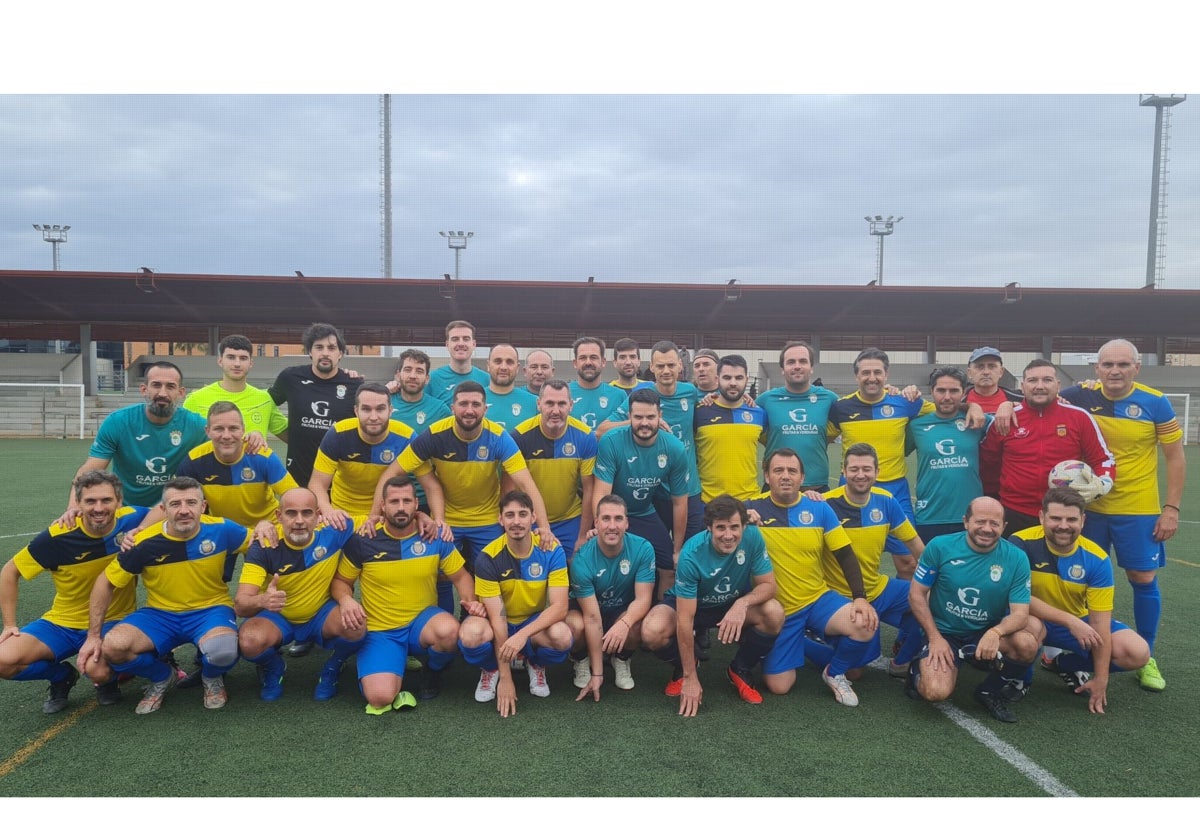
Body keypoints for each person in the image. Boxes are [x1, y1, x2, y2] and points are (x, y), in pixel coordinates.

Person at [1057, 338, 1185, 692]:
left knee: (1142, 579)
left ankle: (1147, 654)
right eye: (1108, 365)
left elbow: (1175, 457)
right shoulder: (1080, 395)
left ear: (1136, 368)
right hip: (1089, 508)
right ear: (1096, 369)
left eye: (1123, 364)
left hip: (1139, 508)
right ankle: (1075, 648)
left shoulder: (1154, 402)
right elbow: (1039, 395)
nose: (1115, 371)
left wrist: (1171, 509)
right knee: (1076, 579)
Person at [78, 477, 255, 714]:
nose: (184, 510)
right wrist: (93, 636)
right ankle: (162, 676)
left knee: (223, 650)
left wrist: (263, 526)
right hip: (160, 614)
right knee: (113, 647)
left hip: (211, 609)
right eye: (175, 504)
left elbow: (262, 544)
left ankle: (211, 677)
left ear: (202, 507)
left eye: (191, 503)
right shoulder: (142, 542)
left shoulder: (223, 529)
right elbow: (105, 583)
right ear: (163, 509)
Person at [332, 476, 483, 714]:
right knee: (380, 698)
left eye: (406, 501)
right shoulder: (363, 539)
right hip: (381, 630)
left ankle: (432, 670)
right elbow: (341, 581)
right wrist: (346, 599)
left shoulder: (433, 536)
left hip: (421, 623)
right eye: (394, 501)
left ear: (416, 504)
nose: (401, 507)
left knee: (451, 632)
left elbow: (462, 577)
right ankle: (391, 662)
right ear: (382, 505)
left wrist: (471, 603)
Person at [1, 471, 146, 712]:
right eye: (90, 501)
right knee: (3, 660)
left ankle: (107, 682)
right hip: (62, 622)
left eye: (106, 500)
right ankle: (61, 676)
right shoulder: (57, 537)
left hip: (112, 621)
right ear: (77, 504)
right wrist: (9, 624)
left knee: (96, 669)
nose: (99, 508)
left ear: (119, 502)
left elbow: (164, 509)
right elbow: (9, 572)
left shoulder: (134, 520)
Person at [374, 381, 555, 572]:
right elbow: (392, 472)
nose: (469, 410)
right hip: (446, 519)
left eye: (476, 405)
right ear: (453, 408)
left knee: (491, 574)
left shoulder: (498, 437)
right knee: (440, 575)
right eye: (463, 404)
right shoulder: (435, 434)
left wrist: (544, 527)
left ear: (485, 409)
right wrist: (374, 515)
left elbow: (527, 484)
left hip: (487, 519)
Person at [746, 450, 876, 707]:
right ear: (767, 476)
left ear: (802, 477)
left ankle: (834, 672)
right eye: (778, 471)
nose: (785, 476)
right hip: (780, 610)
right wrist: (741, 521)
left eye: (792, 471)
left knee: (864, 623)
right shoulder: (750, 508)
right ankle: (802, 644)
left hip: (817, 600)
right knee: (779, 686)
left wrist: (860, 598)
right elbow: (715, 529)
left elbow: (846, 555)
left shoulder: (818, 508)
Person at [1010, 488, 1151, 714]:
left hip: (1076, 622)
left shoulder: (1097, 559)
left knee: (1137, 652)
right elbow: (1017, 598)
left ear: (1083, 521)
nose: (1063, 525)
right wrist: (1069, 621)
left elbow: (1100, 623)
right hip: (1031, 618)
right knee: (1026, 628)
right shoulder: (1020, 543)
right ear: (1041, 517)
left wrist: (1101, 678)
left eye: (1071, 519)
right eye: (1055, 518)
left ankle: (1061, 664)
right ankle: (1020, 679)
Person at [641, 495, 783, 715]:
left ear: (744, 525)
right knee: (652, 631)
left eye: (735, 527)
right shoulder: (691, 554)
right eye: (721, 528)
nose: (729, 535)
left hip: (733, 602)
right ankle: (686, 664)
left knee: (774, 613)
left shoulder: (753, 537)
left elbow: (768, 586)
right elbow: (685, 619)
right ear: (709, 527)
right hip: (693, 605)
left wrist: (742, 604)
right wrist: (690, 678)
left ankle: (740, 668)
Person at [906, 496, 1041, 724]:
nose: (987, 529)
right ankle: (915, 670)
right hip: (944, 633)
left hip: (984, 632)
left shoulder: (1016, 558)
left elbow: (1020, 613)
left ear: (1004, 527)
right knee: (935, 692)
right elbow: (916, 594)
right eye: (980, 521)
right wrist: (935, 637)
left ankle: (989, 691)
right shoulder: (940, 546)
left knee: (1027, 644)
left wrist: (994, 633)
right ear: (966, 521)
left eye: (994, 524)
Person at [235, 488, 366, 702]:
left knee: (357, 625)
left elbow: (382, 520)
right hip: (278, 615)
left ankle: (333, 666)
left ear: (318, 515)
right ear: (279, 516)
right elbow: (241, 604)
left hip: (320, 613)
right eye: (291, 513)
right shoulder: (264, 544)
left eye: (306, 513)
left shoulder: (335, 529)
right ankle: (274, 666)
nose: (299, 521)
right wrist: (263, 600)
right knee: (249, 642)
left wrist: (420, 515)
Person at [809, 444, 925, 679]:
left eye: (866, 469)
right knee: (853, 673)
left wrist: (937, 579)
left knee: (934, 600)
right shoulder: (823, 504)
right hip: (840, 597)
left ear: (877, 472)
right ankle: (800, 639)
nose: (860, 475)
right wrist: (804, 497)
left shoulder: (886, 501)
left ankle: (901, 661)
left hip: (878, 589)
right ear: (843, 471)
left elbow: (916, 547)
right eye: (853, 469)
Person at [827, 348, 942, 579]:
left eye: (877, 372)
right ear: (856, 376)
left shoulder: (905, 403)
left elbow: (944, 409)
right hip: (851, 492)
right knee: (851, 561)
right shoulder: (841, 407)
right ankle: (852, 609)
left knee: (909, 561)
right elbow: (823, 438)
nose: (872, 377)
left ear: (886, 375)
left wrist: (974, 407)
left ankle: (903, 609)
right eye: (865, 372)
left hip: (895, 491)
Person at [457, 491, 572, 717]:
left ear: (533, 517)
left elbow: (560, 607)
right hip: (501, 623)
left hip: (531, 623)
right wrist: (506, 679)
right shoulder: (488, 557)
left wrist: (522, 635)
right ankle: (491, 668)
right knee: (471, 633)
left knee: (562, 635)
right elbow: (498, 618)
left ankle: (534, 662)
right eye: (510, 515)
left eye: (522, 514)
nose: (516, 521)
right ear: (500, 520)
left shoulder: (552, 549)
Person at [980, 358, 1116, 536]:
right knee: (1017, 564)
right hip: (1014, 512)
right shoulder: (1005, 420)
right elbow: (986, 464)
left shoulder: (1079, 417)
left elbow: (1103, 459)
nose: (1040, 386)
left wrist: (1104, 483)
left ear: (1058, 385)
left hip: (1063, 513)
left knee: (1062, 564)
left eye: (1047, 380)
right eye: (1032, 380)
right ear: (1023, 386)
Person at [61, 362, 207, 514]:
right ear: (144, 389)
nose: (162, 393)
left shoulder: (196, 425)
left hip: (171, 512)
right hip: (124, 510)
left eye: (170, 386)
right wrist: (73, 507)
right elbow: (89, 471)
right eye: (156, 385)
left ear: (181, 392)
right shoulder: (119, 421)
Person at [597, 340, 705, 543]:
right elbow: (601, 430)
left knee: (690, 551)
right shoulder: (642, 397)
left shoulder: (690, 392)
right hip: (655, 494)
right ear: (652, 367)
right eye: (661, 366)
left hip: (689, 489)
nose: (666, 371)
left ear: (680, 366)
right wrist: (641, 422)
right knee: (658, 556)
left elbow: (713, 402)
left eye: (671, 365)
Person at [592, 388, 691, 597]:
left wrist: (677, 550)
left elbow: (680, 503)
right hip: (615, 514)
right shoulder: (611, 441)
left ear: (660, 416)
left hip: (644, 512)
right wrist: (601, 526)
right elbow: (602, 493)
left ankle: (661, 615)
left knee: (669, 566)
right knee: (612, 565)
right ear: (629, 417)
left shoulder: (674, 447)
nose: (644, 423)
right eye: (638, 417)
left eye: (650, 417)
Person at [564, 495, 655, 699]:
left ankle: (621, 658)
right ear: (596, 522)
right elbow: (592, 618)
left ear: (627, 522)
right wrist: (598, 674)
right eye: (606, 519)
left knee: (638, 624)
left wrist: (624, 623)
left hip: (620, 609)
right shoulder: (582, 559)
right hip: (588, 611)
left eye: (618, 519)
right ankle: (581, 658)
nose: (612, 526)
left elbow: (643, 600)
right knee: (574, 628)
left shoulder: (643, 548)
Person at [510, 379, 597, 560]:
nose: (555, 410)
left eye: (561, 404)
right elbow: (509, 488)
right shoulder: (520, 436)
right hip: (530, 519)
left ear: (571, 406)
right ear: (539, 404)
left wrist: (581, 536)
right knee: (534, 572)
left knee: (576, 569)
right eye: (549, 403)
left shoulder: (585, 436)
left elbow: (589, 489)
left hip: (570, 519)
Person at [309, 383, 418, 527]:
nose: (373, 417)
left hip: (386, 517)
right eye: (366, 409)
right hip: (342, 515)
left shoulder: (407, 437)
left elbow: (430, 484)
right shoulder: (338, 434)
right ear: (356, 411)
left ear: (390, 410)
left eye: (380, 409)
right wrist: (329, 512)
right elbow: (317, 484)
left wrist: (421, 515)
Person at [268, 323, 363, 488]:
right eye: (319, 347)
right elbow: (265, 404)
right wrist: (282, 432)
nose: (325, 353)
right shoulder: (290, 377)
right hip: (298, 475)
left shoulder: (354, 384)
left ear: (340, 353)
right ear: (309, 351)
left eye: (331, 348)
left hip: (338, 480)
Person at [907, 367, 990, 543]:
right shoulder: (916, 426)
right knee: (932, 568)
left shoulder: (978, 421)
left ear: (963, 392)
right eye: (941, 390)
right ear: (932, 391)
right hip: (930, 515)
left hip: (971, 516)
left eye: (954, 391)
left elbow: (1013, 414)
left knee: (969, 569)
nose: (947, 397)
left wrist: (1005, 405)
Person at [757, 341, 839, 492]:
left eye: (803, 361)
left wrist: (888, 393)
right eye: (791, 362)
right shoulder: (765, 400)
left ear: (811, 367)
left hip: (816, 488)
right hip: (775, 489)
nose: (797, 366)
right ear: (782, 369)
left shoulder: (829, 399)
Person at [183, 334, 288, 440]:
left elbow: (293, 438)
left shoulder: (265, 399)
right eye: (231, 357)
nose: (237, 364)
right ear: (220, 361)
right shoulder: (195, 399)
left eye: (243, 358)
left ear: (251, 363)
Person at [384, 348, 452, 512]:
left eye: (419, 371)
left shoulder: (440, 410)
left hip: (424, 496)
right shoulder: (383, 403)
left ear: (427, 378)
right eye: (408, 369)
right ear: (397, 374)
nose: (413, 375)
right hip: (388, 494)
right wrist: (384, 391)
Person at [692, 354, 767, 502]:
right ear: (717, 378)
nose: (733, 383)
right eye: (727, 378)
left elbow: (771, 445)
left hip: (749, 501)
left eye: (739, 378)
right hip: (709, 501)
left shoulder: (759, 413)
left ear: (746, 379)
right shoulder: (699, 412)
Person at [568, 336, 626, 430]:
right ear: (575, 363)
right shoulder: (563, 393)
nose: (588, 362)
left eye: (593, 357)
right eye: (583, 358)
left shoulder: (619, 396)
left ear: (603, 362)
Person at [427, 319, 490, 403]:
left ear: (474, 344)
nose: (460, 344)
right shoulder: (432, 379)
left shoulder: (487, 380)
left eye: (466, 339)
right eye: (455, 339)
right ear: (447, 344)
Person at [483, 343, 539, 429]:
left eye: (509, 362)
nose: (503, 367)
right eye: (498, 361)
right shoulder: (473, 401)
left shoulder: (534, 403)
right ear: (488, 365)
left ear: (517, 368)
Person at [965, 347, 1022, 413]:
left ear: (1001, 371)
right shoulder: (957, 402)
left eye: (992, 366)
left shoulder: (1020, 401)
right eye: (980, 366)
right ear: (969, 373)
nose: (986, 372)